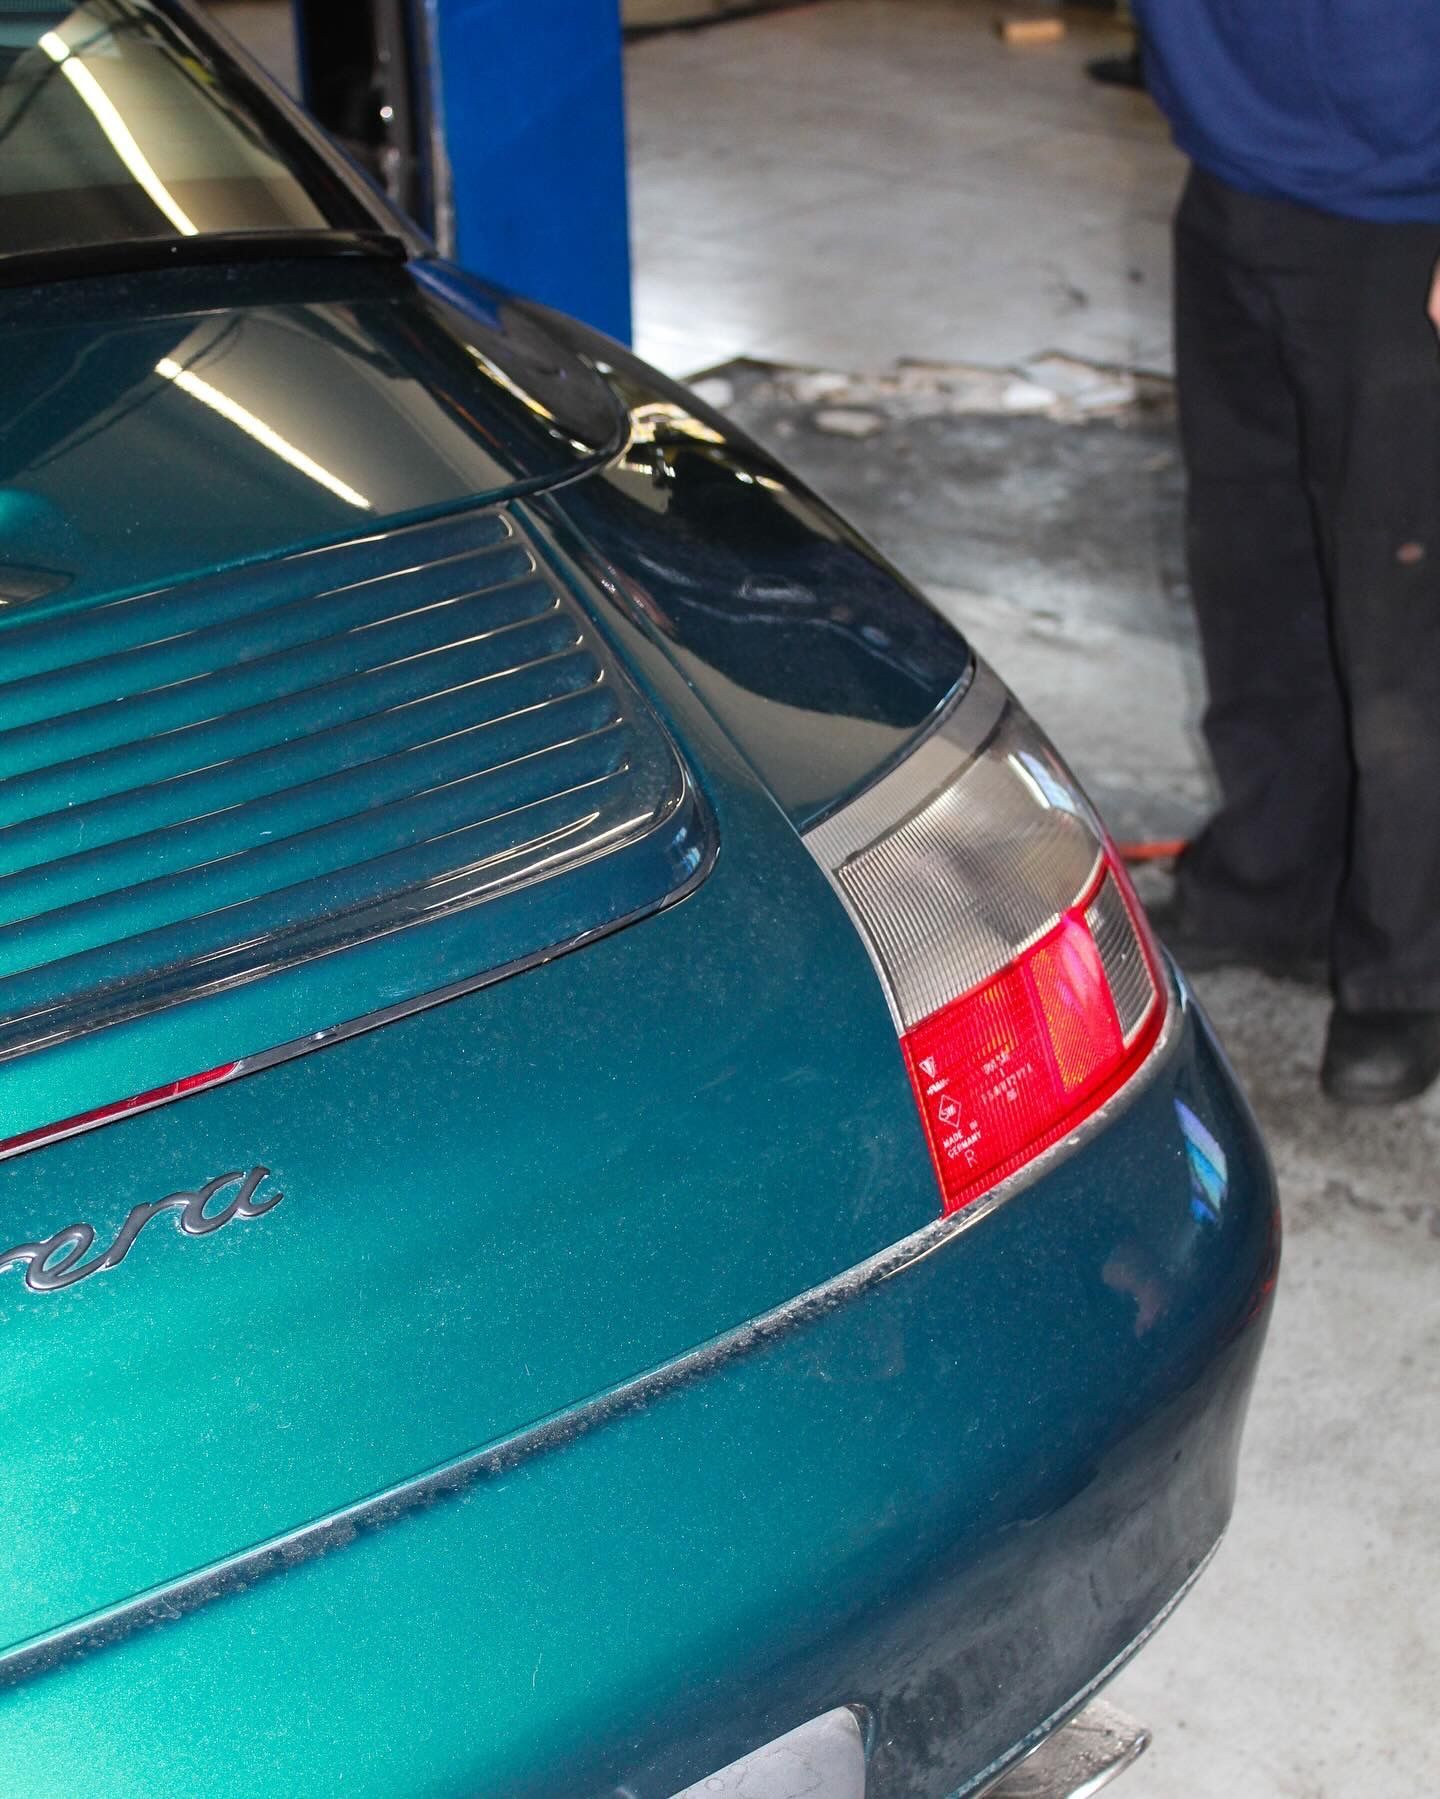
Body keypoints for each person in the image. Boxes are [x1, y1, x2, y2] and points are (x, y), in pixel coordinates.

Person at [1130, 2, 1440, 1105]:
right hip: (1234, 164)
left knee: (1403, 614)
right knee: (1253, 567)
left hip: (1410, 207)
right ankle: (1273, 879)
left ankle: (1406, 972)